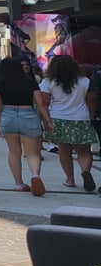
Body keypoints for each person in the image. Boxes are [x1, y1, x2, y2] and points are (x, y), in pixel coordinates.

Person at [36, 55, 95, 192]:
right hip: (81, 118)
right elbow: (91, 99)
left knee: (64, 151)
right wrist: (91, 116)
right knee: (84, 152)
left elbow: (44, 102)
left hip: (58, 119)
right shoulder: (84, 81)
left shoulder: (48, 82)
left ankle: (70, 180)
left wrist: (46, 120)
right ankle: (85, 171)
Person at [0, 56, 47, 195]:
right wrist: (48, 121)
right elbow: (41, 103)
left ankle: (19, 184)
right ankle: (35, 175)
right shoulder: (30, 82)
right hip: (28, 114)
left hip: (7, 116)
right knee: (32, 153)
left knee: (14, 151)